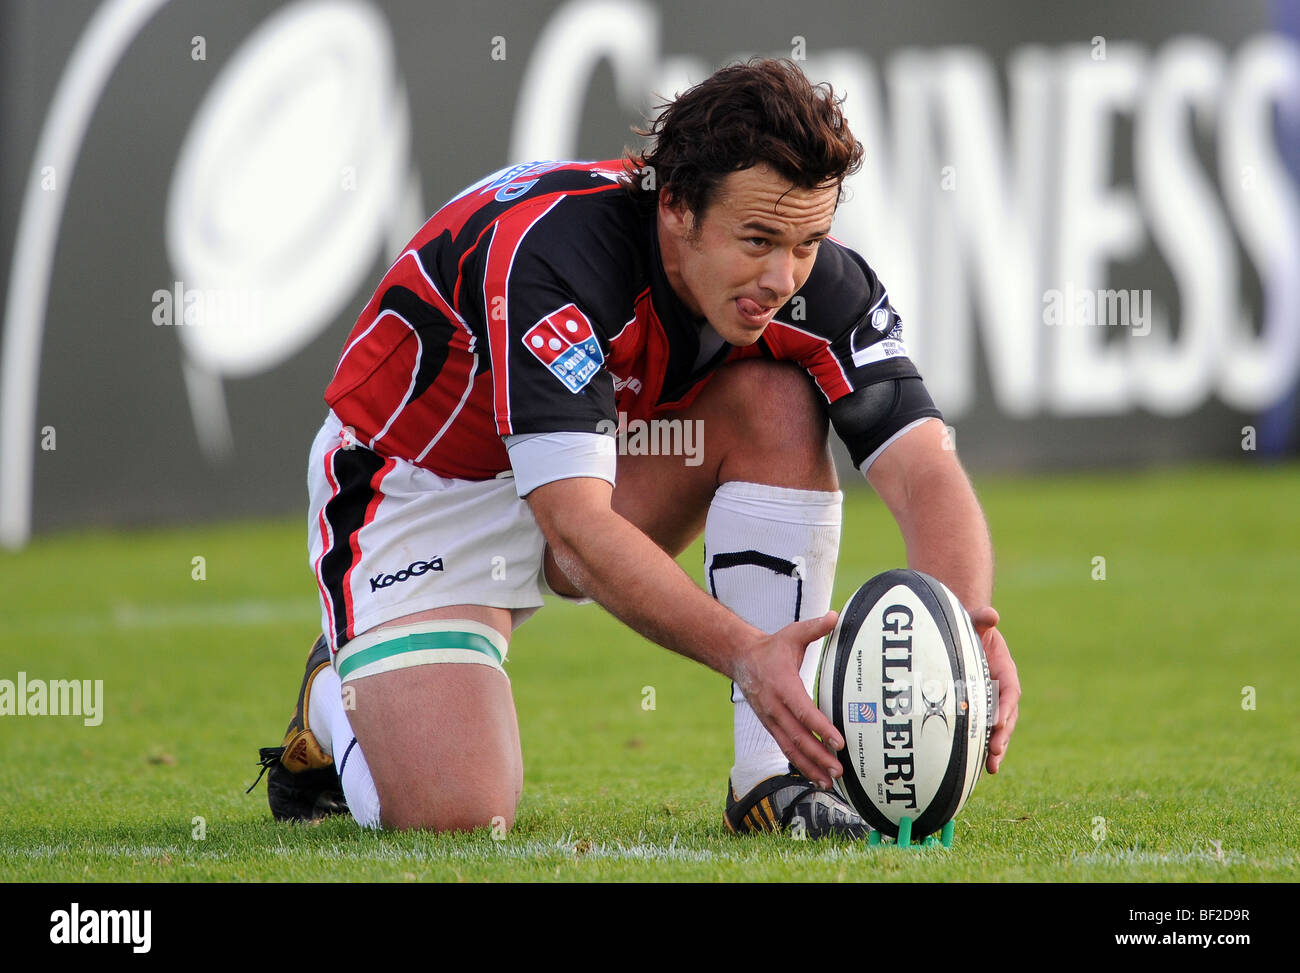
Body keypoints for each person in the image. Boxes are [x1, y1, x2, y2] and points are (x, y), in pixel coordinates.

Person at [252, 58, 1020, 838]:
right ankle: (331, 693)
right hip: (416, 488)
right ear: (677, 207)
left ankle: (773, 779)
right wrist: (748, 652)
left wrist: (964, 634)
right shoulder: (554, 254)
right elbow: (578, 534)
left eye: (808, 241)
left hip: (590, 461)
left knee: (777, 401)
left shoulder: (812, 278)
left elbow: (923, 464)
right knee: (457, 813)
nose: (783, 275)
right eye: (757, 238)